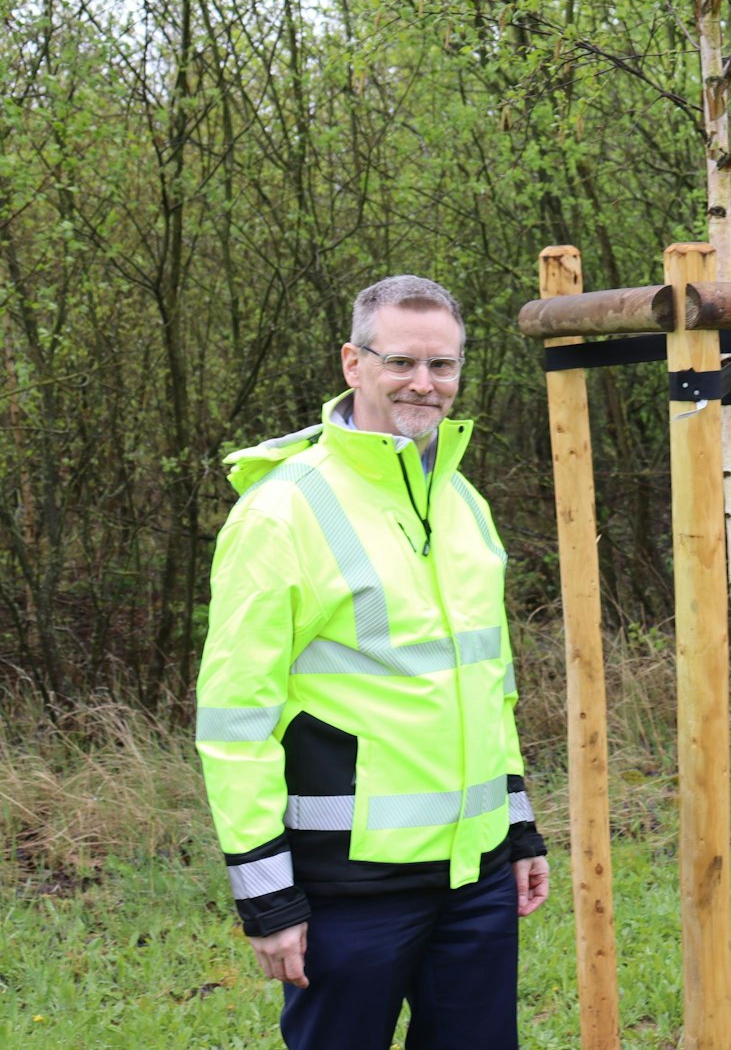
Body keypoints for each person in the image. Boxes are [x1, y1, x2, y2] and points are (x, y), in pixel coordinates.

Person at [195, 275, 549, 1049]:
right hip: (348, 888)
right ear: (353, 364)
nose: (426, 383)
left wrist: (517, 827)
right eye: (402, 362)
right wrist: (268, 897)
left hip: (475, 877)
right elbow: (234, 723)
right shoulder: (281, 510)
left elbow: (489, 686)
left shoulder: (461, 499)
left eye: (444, 365)